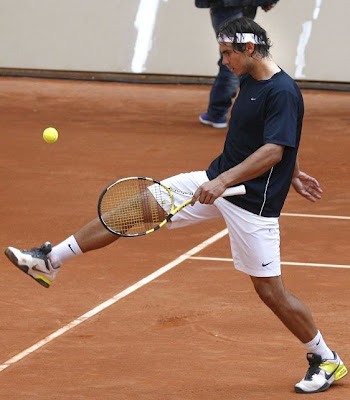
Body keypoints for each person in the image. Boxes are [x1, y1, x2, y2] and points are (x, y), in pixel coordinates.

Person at [4, 17, 347, 394]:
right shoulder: (250, 79)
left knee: (271, 292)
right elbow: (273, 137)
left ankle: (325, 357)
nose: (224, 61)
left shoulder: (282, 91)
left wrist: (225, 181)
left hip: (252, 203)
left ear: (250, 49)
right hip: (215, 181)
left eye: (228, 53)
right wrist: (293, 172)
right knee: (136, 209)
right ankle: (49, 261)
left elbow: (273, 149)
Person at [195, 0, 279, 128]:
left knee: (233, 57)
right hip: (248, 4)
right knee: (245, 55)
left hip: (225, 4)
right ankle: (254, 113)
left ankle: (217, 113)